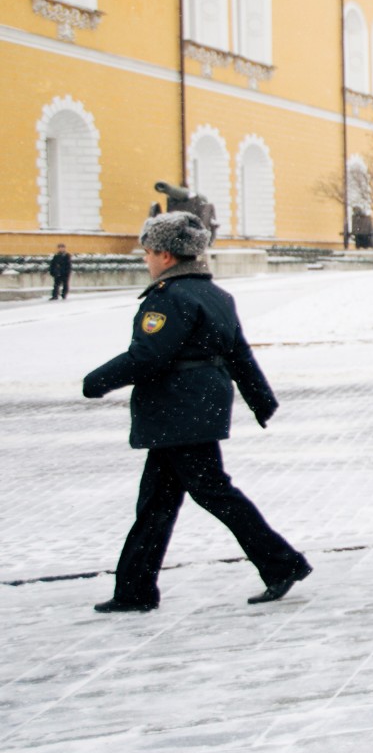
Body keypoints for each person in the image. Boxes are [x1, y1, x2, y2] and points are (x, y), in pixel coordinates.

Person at [83, 211, 310, 612]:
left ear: (167, 256)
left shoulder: (170, 298)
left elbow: (147, 355)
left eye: (149, 252)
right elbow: (239, 354)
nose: (146, 260)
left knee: (213, 493)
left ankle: (281, 563)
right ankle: (135, 590)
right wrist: (261, 399)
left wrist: (95, 381)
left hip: (179, 411)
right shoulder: (216, 295)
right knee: (157, 503)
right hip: (197, 408)